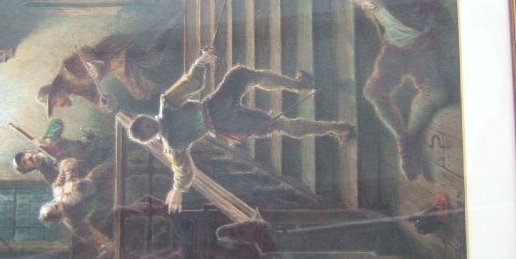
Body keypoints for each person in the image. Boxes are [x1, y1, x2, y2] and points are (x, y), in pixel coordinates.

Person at [127, 47, 353, 214]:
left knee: (254, 92)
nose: (149, 127)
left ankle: (324, 112)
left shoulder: (167, 111)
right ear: (149, 138)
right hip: (219, 117)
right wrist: (178, 189)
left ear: (145, 117)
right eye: (146, 131)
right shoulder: (171, 138)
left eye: (144, 124)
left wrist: (203, 61)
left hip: (218, 115)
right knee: (267, 109)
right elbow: (183, 171)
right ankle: (332, 122)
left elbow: (192, 83)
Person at [352, 0, 450, 180]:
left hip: (421, 49)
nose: (364, 8)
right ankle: (403, 140)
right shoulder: (375, 9)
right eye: (363, 4)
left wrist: (433, 17)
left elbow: (434, 6)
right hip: (393, 50)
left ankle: (410, 140)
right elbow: (384, 25)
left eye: (367, 3)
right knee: (373, 92)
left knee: (437, 93)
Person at [39, 34, 161, 117]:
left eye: (55, 103)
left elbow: (84, 51)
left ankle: (166, 37)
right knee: (142, 90)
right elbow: (96, 100)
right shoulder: (74, 90)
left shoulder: (67, 71)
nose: (59, 106)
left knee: (149, 65)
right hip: (116, 65)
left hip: (115, 51)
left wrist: (95, 66)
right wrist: (105, 104)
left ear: (55, 93)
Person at [39, 158, 114, 259]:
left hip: (101, 176)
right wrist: (104, 245)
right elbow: (92, 236)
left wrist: (70, 179)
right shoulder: (72, 223)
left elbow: (67, 162)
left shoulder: (58, 188)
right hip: (108, 198)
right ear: (60, 219)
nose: (61, 209)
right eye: (59, 214)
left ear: (52, 202)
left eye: (56, 206)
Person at [13, 120, 111, 184]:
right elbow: (70, 178)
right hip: (96, 164)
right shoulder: (49, 175)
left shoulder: (43, 142)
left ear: (29, 152)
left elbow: (57, 122)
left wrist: (48, 140)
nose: (28, 158)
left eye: (24, 156)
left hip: (93, 144)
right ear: (30, 168)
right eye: (25, 163)